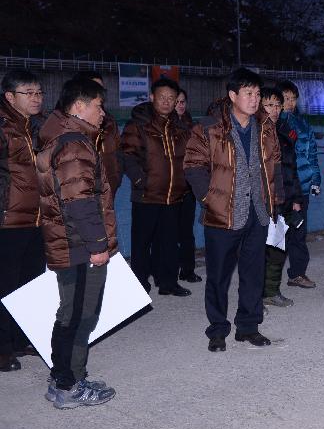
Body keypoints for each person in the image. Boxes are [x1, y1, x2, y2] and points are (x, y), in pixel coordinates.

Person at [184, 68, 284, 352]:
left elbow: (275, 164)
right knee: (219, 275)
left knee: (254, 272)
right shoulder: (209, 128)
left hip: (257, 211)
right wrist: (209, 198)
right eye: (249, 94)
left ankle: (248, 327)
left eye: (258, 94)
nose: (255, 100)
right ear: (233, 96)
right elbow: (193, 166)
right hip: (222, 213)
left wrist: (275, 200)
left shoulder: (265, 127)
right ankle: (217, 329)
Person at [37, 77, 118, 408]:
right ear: (80, 106)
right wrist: (98, 245)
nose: (103, 112)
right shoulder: (74, 145)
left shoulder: (63, 137)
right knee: (80, 314)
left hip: (69, 242)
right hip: (79, 245)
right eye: (98, 105)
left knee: (72, 312)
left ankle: (64, 376)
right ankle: (68, 385)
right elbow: (80, 201)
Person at [120, 78, 192, 296]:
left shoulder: (179, 126)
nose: (167, 102)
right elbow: (126, 156)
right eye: (162, 97)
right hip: (147, 195)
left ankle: (168, 282)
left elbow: (188, 157)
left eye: (172, 98)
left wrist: (185, 183)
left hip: (173, 195)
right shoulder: (138, 124)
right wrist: (142, 181)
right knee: (142, 243)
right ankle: (139, 284)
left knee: (169, 242)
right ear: (152, 97)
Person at [0, 70, 46, 372]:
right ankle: (2, 347)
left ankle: (20, 339)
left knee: (29, 284)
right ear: (10, 96)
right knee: (6, 285)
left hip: (37, 217)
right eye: (28, 92)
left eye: (39, 92)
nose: (36, 98)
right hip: (9, 220)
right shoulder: (4, 127)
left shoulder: (36, 127)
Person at [260, 87, 304, 310]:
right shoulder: (256, 132)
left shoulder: (286, 131)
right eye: (269, 105)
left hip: (284, 198)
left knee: (278, 248)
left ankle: (271, 291)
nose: (275, 110)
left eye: (278, 105)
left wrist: (296, 198)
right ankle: (255, 296)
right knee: (259, 251)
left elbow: (292, 168)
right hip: (263, 200)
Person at [276, 80, 320, 289]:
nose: (290, 103)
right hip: (282, 188)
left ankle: (297, 273)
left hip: (302, 186)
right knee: (277, 234)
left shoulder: (303, 123)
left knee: (299, 232)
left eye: (293, 98)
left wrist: (316, 179)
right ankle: (269, 280)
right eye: (285, 99)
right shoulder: (274, 125)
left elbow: (312, 154)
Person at [71, 71, 122, 197]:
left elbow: (119, 153)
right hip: (81, 195)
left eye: (101, 88)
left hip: (109, 190)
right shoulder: (67, 123)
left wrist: (116, 177)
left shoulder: (109, 121)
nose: (100, 91)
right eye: (94, 87)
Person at [174, 88, 202, 283]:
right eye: (177, 101)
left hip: (188, 187)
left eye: (183, 101)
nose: (180, 105)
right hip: (169, 187)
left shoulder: (192, 126)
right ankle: (168, 271)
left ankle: (187, 270)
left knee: (186, 232)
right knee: (168, 232)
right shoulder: (163, 126)